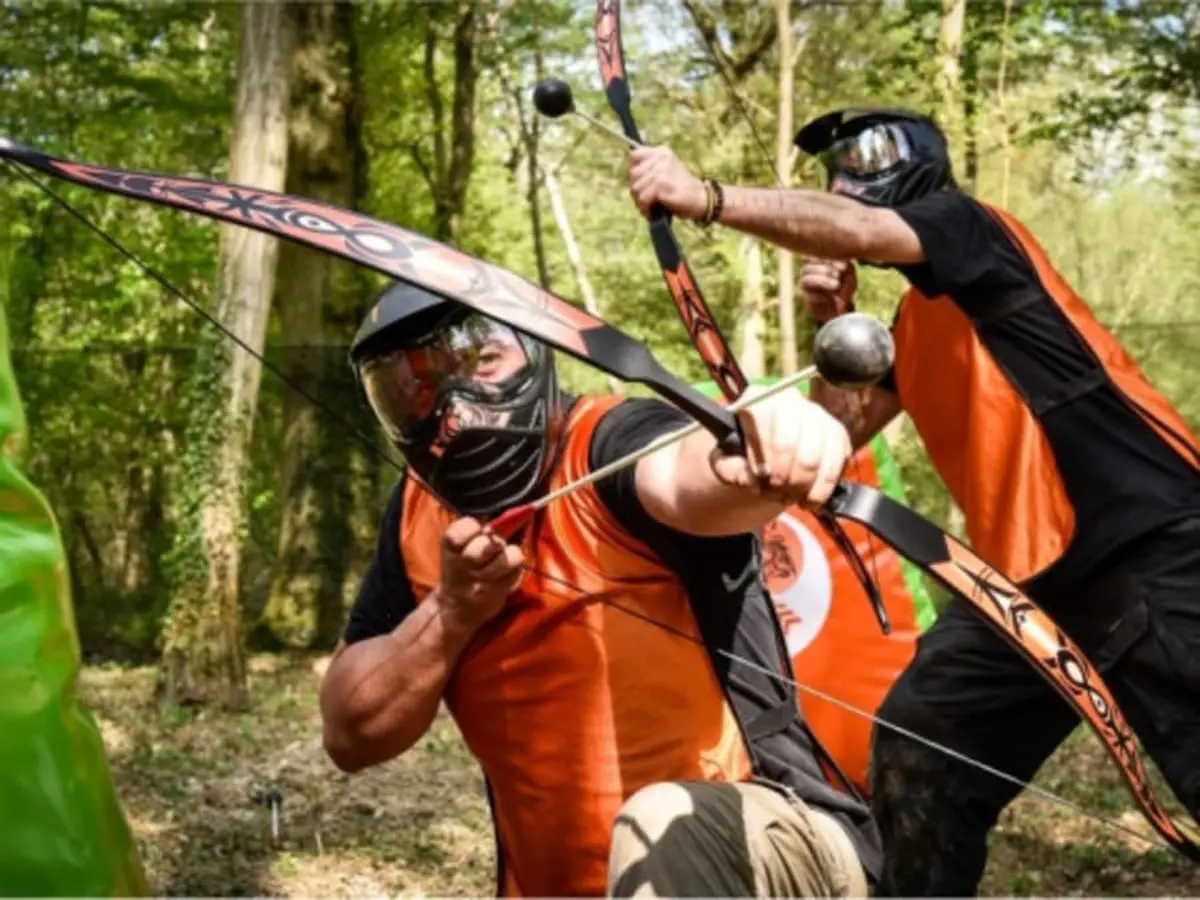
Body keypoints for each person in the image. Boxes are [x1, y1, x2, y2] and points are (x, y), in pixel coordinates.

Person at [624, 105, 1200, 894]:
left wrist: (706, 196)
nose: (841, 177)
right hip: (1026, 587)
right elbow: (844, 425)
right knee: (920, 745)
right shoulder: (913, 320)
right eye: (833, 166)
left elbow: (859, 229)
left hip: (1157, 541)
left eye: (862, 154)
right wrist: (833, 320)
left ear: (921, 159)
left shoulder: (972, 229)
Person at [317, 280, 882, 898]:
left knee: (660, 822)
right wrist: (452, 614)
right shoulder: (416, 515)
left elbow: (685, 473)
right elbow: (350, 734)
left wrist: (769, 443)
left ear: (534, 351)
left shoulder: (607, 442)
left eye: (483, 359)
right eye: (417, 386)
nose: (455, 404)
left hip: (762, 849)